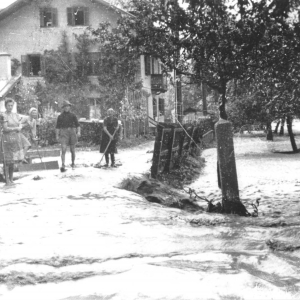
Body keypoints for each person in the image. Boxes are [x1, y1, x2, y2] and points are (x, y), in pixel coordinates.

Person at [0, 98, 30, 185]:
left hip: (15, 139)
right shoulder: (3, 115)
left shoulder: (15, 115)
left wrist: (20, 126)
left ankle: (11, 179)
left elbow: (20, 122)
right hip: (7, 139)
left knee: (13, 161)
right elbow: (5, 128)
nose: (10, 107)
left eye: (11, 105)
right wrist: (16, 128)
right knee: (7, 161)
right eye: (8, 105)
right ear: (5, 106)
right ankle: (7, 180)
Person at [55, 100, 81, 172]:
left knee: (72, 150)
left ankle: (73, 164)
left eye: (68, 106)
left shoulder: (73, 115)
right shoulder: (60, 117)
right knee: (63, 149)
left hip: (72, 132)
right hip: (63, 133)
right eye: (65, 106)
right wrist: (57, 135)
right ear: (63, 107)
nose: (66, 108)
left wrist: (78, 132)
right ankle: (63, 165)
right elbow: (57, 127)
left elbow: (78, 125)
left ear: (69, 107)